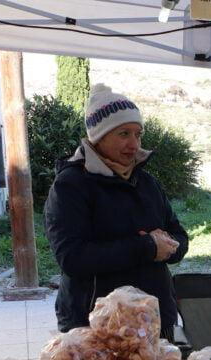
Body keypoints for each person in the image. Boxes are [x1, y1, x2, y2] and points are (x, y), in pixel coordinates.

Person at [43, 83, 189, 341]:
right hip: (96, 324)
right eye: (123, 133)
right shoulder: (72, 185)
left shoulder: (148, 183)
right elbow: (72, 258)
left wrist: (170, 245)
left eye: (138, 134)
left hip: (154, 318)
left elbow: (179, 234)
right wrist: (146, 246)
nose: (134, 144)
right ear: (98, 136)